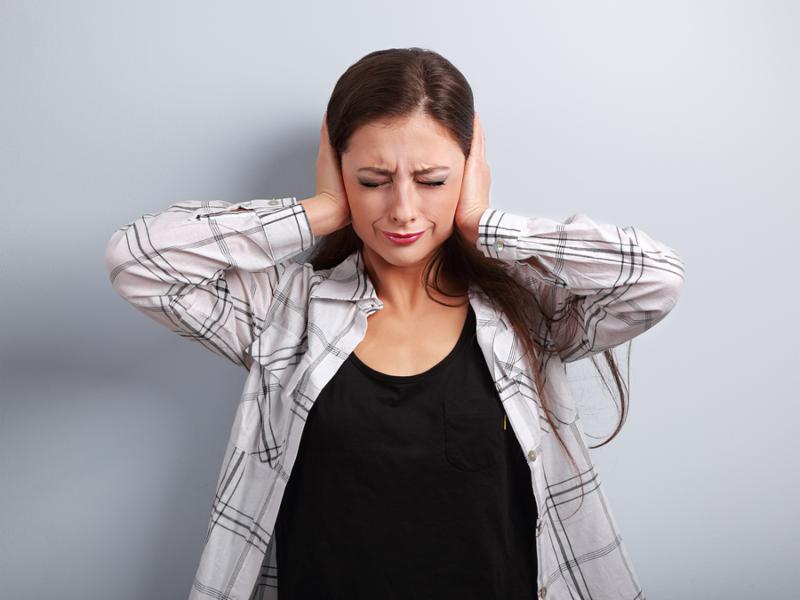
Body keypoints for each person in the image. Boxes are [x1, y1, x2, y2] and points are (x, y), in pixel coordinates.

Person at [104, 47, 685, 600]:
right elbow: (139, 262)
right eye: (373, 181)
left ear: (469, 171)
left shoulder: (527, 312)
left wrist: (487, 223)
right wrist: (321, 210)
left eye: (432, 180)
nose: (403, 209)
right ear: (338, 171)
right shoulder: (284, 312)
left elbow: (656, 279)